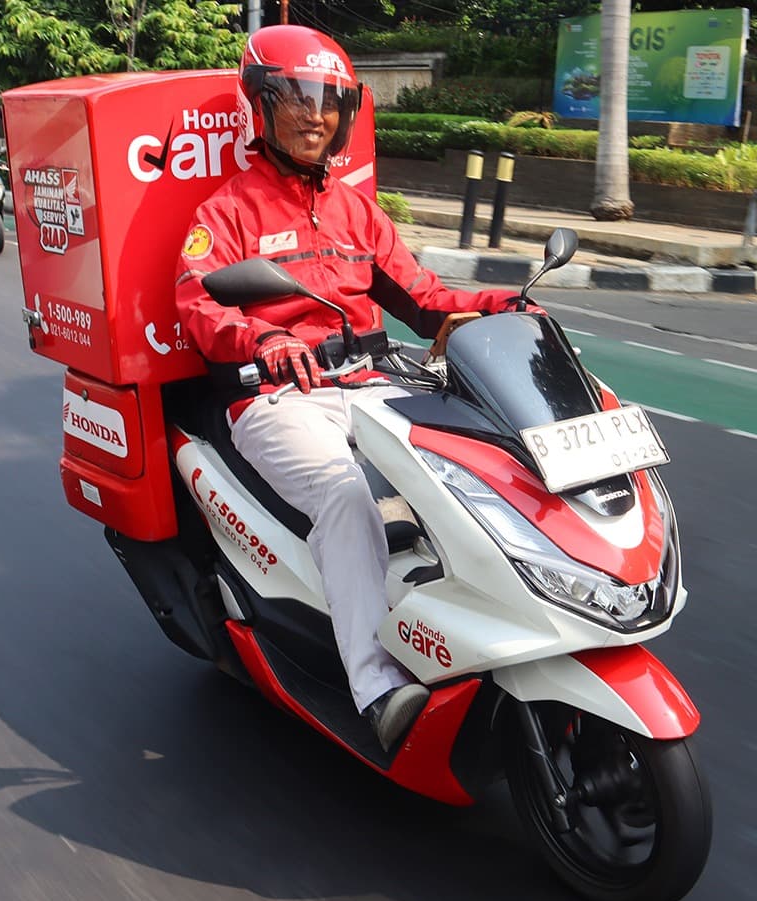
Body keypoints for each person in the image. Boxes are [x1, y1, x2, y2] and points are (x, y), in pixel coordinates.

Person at [174, 25, 531, 752]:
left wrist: (501, 304)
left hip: (369, 384)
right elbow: (197, 302)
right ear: (262, 104)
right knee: (342, 491)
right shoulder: (227, 212)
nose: (316, 116)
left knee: (474, 473)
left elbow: (424, 298)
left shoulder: (356, 210)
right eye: (298, 98)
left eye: (331, 101)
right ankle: (374, 685)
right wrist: (262, 338)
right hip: (275, 399)